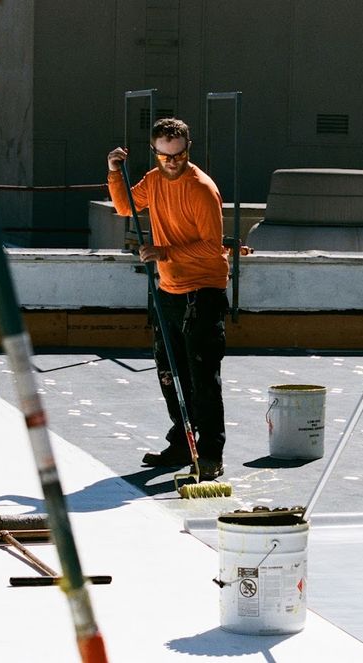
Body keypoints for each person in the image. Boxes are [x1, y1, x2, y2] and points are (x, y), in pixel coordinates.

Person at [107, 118, 230, 481]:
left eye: (178, 156)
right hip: (169, 290)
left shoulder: (201, 188)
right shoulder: (154, 181)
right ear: (155, 153)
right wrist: (115, 172)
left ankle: (210, 453)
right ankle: (182, 442)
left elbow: (212, 247)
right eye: (164, 156)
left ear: (188, 149)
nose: (171, 163)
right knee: (170, 373)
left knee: (202, 376)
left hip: (203, 291)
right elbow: (125, 207)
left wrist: (164, 252)